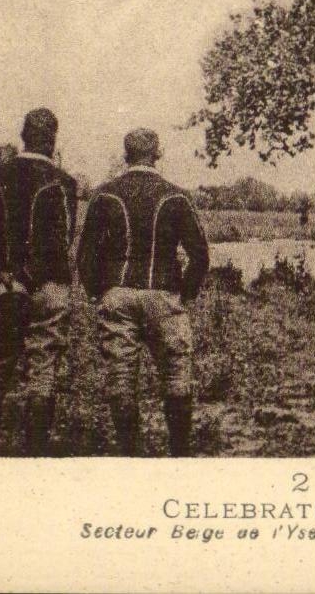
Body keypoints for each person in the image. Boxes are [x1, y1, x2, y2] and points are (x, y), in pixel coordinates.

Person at [77, 128, 210, 457]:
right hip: (163, 294)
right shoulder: (175, 197)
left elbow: (85, 254)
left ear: (126, 155)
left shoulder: (105, 195)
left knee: (120, 373)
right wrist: (185, 294)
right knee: (177, 370)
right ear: (158, 153)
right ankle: (178, 453)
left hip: (116, 295)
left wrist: (98, 292)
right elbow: (200, 255)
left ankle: (129, 454)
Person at [0, 108, 78, 455]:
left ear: (23, 136)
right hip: (46, 288)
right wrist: (29, 278)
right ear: (52, 139)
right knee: (43, 368)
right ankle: (34, 456)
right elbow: (62, 240)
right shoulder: (63, 182)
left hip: (2, 287)